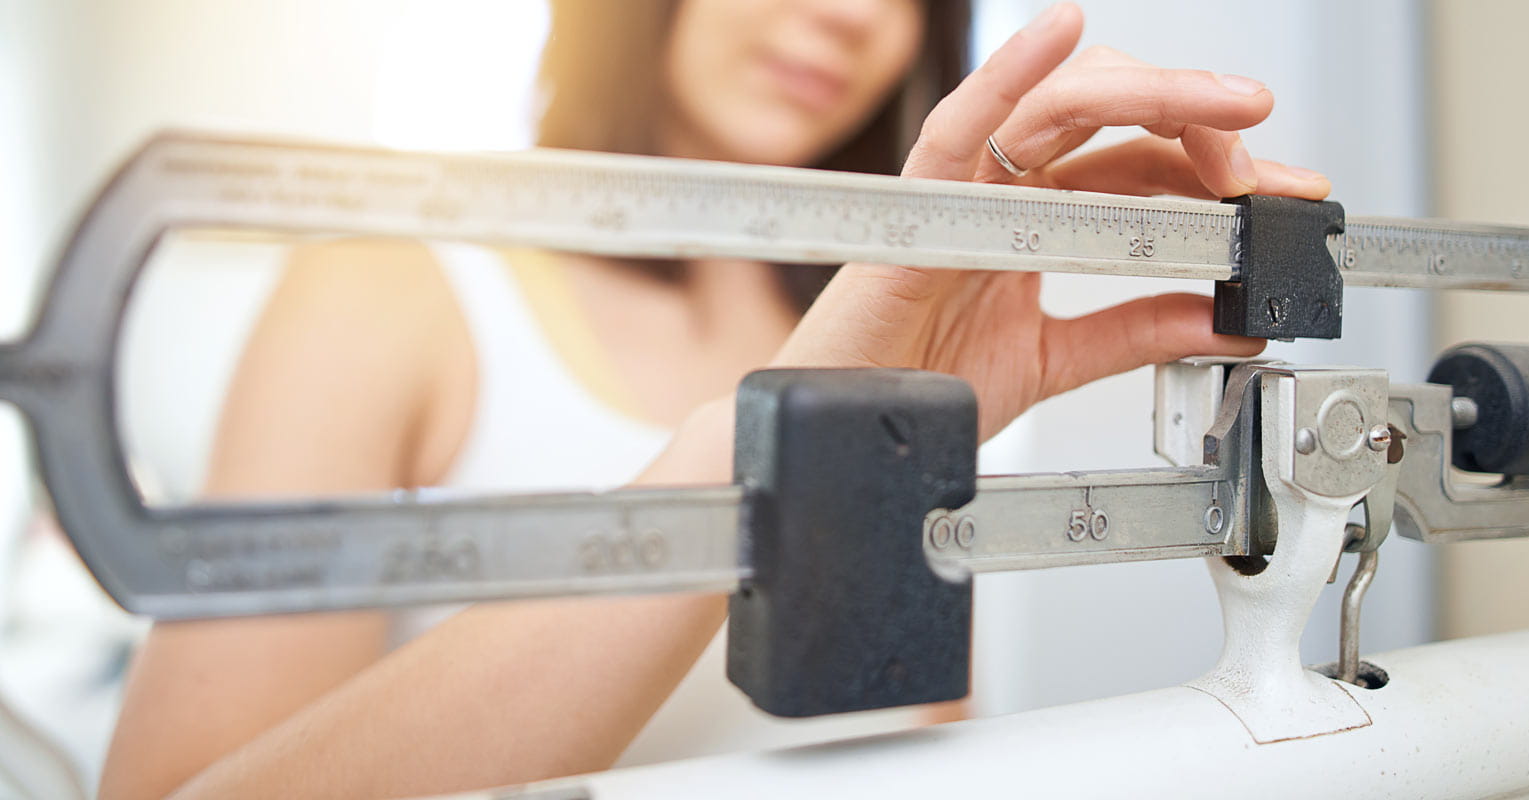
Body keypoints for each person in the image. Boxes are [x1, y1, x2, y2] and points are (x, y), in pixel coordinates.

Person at [99, 2, 1331, 798]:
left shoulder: (914, 339)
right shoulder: (385, 292)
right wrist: (760, 471)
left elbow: (885, 758)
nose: (853, 17)